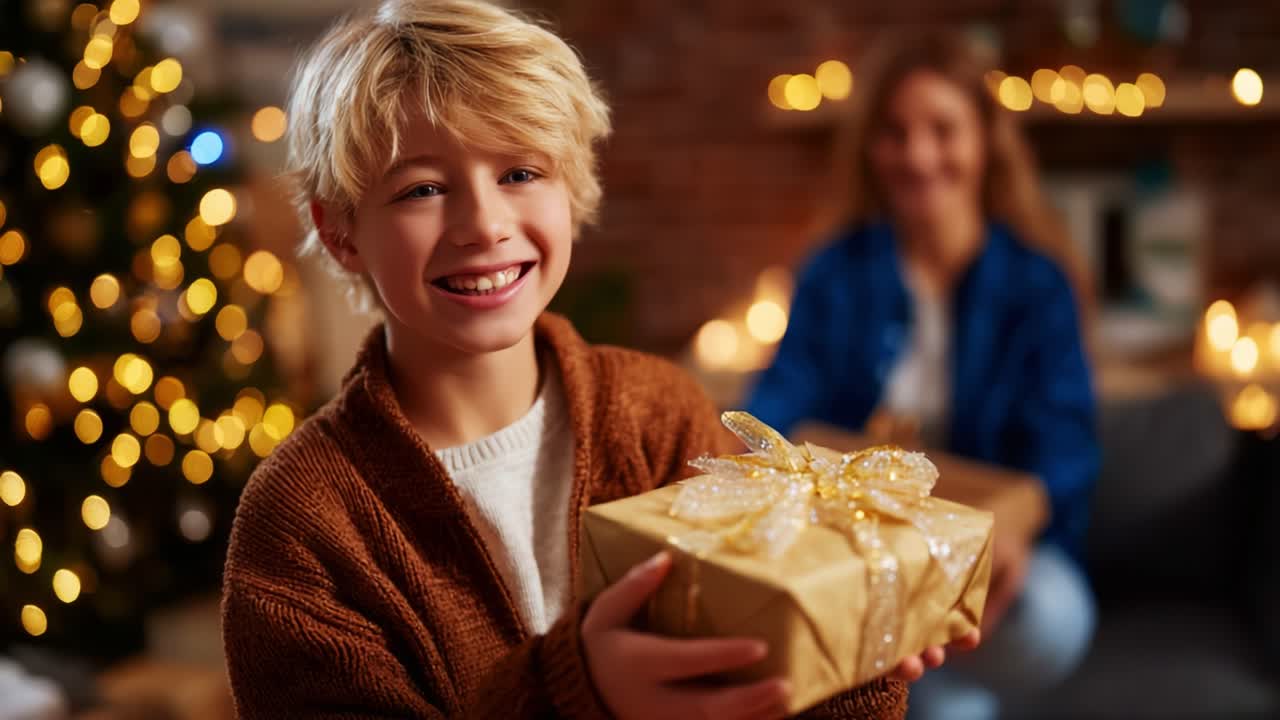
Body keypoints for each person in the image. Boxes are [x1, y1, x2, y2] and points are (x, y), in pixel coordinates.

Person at [220, 3, 967, 718]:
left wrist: (852, 659)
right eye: (423, 189)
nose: (484, 224)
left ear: (572, 183)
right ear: (341, 231)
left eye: (520, 174)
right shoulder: (299, 526)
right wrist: (580, 695)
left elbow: (761, 671)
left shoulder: (659, 413)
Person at [746, 30, 1099, 720]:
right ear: (870, 149)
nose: (918, 156)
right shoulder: (832, 272)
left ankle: (892, 670)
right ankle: (914, 673)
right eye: (895, 133)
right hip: (856, 550)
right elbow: (779, 401)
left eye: (943, 130)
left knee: (1052, 615)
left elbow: (1066, 451)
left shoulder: (1038, 284)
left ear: (985, 141)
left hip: (991, 556)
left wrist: (1009, 533)